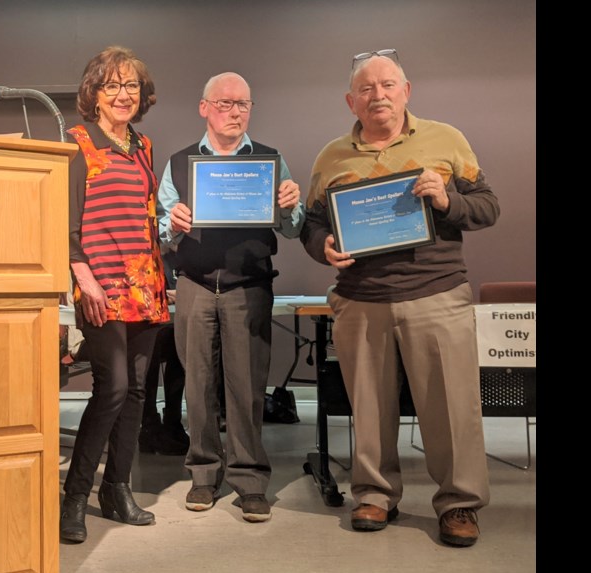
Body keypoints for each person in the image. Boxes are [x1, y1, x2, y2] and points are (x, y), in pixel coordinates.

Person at [301, 49, 500, 546]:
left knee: (451, 408)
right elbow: (313, 223)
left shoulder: (446, 140)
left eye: (388, 85)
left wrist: (446, 201)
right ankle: (373, 493)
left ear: (406, 91)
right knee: (367, 407)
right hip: (360, 299)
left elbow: (488, 207)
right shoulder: (331, 156)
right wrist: (321, 245)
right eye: (366, 89)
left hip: (435, 294)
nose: (378, 95)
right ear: (352, 100)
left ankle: (459, 503)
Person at [158, 72, 305, 523]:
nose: (234, 112)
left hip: (249, 287)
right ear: (204, 108)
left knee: (246, 389)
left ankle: (251, 482)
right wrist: (173, 225)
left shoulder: (270, 161)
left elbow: (294, 227)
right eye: (224, 103)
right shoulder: (179, 163)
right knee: (198, 389)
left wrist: (288, 205)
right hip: (196, 288)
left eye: (242, 104)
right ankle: (203, 476)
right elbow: (162, 235)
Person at [60, 46, 171, 543]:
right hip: (101, 285)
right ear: (94, 94)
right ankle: (75, 498)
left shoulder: (144, 146)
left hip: (146, 284)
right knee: (113, 389)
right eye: (112, 86)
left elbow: (145, 217)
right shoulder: (78, 143)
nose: (123, 95)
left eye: (131, 86)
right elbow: (65, 226)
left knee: (140, 392)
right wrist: (84, 281)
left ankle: (118, 490)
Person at [138, 252, 189, 456]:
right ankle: (150, 424)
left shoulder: (176, 255)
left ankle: (172, 422)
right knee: (150, 345)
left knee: (181, 344)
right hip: (143, 324)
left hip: (171, 325)